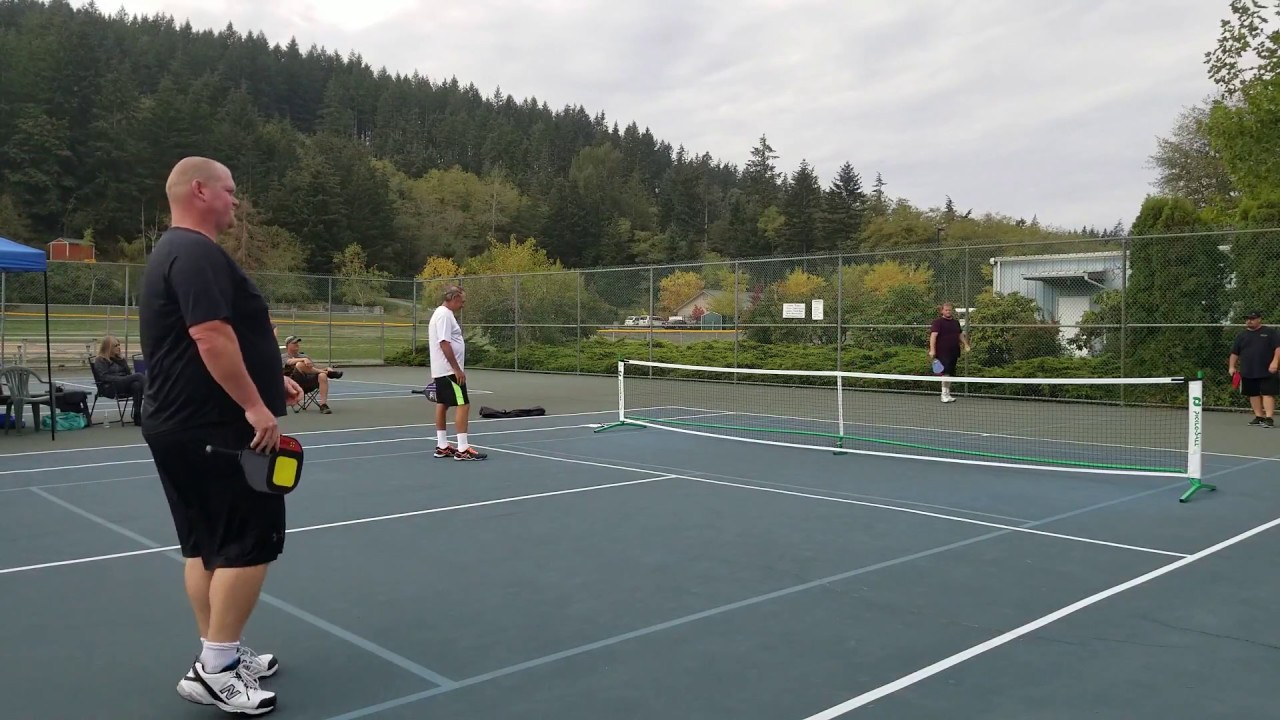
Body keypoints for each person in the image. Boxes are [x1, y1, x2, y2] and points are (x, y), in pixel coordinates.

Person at [138, 156, 303, 715]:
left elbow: (203, 341)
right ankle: (217, 669)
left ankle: (218, 655)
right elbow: (210, 336)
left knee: (205, 545)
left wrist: (270, 375)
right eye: (230, 191)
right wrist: (257, 406)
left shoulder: (175, 252)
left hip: (180, 424)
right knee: (247, 544)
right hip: (215, 428)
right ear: (200, 191)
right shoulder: (197, 252)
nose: (237, 201)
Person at [428, 285, 487, 460]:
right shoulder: (445, 315)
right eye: (462, 301)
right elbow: (444, 343)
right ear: (453, 298)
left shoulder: (441, 313)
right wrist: (456, 369)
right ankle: (463, 449)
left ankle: (442, 445)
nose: (463, 304)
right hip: (448, 371)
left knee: (443, 404)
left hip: (442, 370)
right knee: (464, 404)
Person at [1228, 310, 1280, 428]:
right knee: (1253, 394)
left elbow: (1278, 348)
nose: (1249, 321)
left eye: (1252, 318)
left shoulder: (1270, 332)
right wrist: (1232, 366)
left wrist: (1275, 362)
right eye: (1247, 319)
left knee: (1268, 393)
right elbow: (1234, 353)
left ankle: (1269, 418)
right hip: (1248, 370)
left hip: (1268, 370)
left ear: (1259, 319)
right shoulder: (1241, 336)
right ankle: (1259, 417)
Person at [91, 335, 145, 425]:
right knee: (139, 375)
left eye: (119, 345)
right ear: (108, 347)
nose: (119, 347)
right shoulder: (100, 360)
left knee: (137, 385)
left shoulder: (120, 359)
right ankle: (154, 396)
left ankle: (137, 415)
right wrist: (121, 379)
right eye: (116, 346)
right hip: (109, 387)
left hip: (123, 385)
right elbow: (103, 377)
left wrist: (122, 361)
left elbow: (128, 374)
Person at [281, 335, 342, 414]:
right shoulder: (283, 357)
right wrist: (303, 359)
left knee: (322, 375)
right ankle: (328, 374)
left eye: (298, 343)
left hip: (309, 383)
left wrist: (327, 368)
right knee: (299, 364)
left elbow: (314, 368)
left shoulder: (304, 356)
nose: (297, 344)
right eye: (294, 343)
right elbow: (289, 362)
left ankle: (323, 405)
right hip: (295, 384)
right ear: (287, 345)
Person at [928, 301, 970, 403]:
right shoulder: (938, 322)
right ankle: (944, 395)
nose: (948, 312)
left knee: (949, 373)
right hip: (942, 352)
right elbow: (933, 336)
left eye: (950, 310)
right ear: (942, 311)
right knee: (945, 373)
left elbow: (959, 335)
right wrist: (932, 350)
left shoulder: (955, 323)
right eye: (946, 310)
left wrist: (966, 344)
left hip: (954, 352)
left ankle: (947, 394)